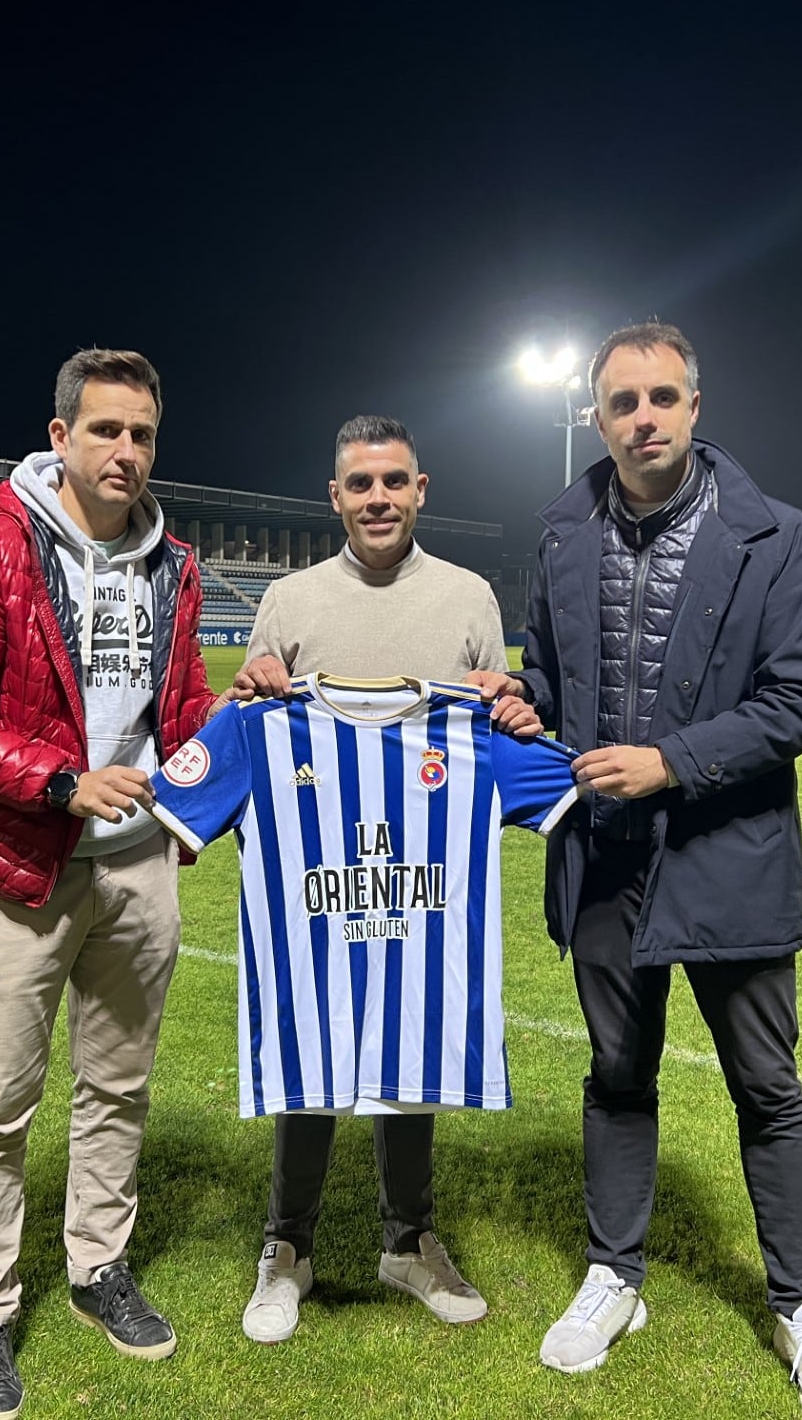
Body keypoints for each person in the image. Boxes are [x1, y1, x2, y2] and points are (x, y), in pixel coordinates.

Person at [473, 322, 802, 1417]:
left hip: (726, 856)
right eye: (620, 403)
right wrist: (524, 701)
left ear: (697, 407)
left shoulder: (773, 535)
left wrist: (671, 764)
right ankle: (616, 1276)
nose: (641, 418)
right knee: (616, 1077)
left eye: (661, 398)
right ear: (597, 418)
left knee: (768, 1089)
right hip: (603, 861)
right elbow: (550, 676)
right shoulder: (559, 533)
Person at [0, 348, 223, 1420]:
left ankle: (97, 1269)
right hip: (17, 869)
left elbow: (179, 715)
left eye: (141, 433)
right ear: (60, 438)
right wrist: (57, 780)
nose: (125, 451)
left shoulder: (173, 565)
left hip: (138, 870)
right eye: (105, 430)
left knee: (119, 1088)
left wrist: (249, 711)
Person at [225, 414, 541, 1345]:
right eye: (360, 485)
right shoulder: (289, 599)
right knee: (310, 1050)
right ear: (335, 496)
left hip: (427, 873)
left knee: (416, 1041)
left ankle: (408, 1242)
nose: (377, 499)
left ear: (420, 490)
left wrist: (516, 705)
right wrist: (247, 691)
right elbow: (254, 710)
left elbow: (505, 713)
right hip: (318, 865)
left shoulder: (471, 597)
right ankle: (287, 1247)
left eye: (393, 482)